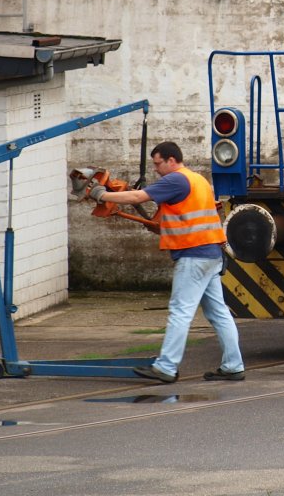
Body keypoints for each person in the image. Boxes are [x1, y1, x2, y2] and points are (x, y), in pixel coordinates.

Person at [91, 141, 244, 384]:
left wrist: (101, 193)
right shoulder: (198, 180)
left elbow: (137, 196)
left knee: (180, 312)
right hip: (211, 254)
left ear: (172, 160)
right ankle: (233, 365)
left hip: (193, 256)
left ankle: (166, 367)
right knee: (219, 314)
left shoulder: (175, 180)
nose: (156, 169)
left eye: (158, 163)